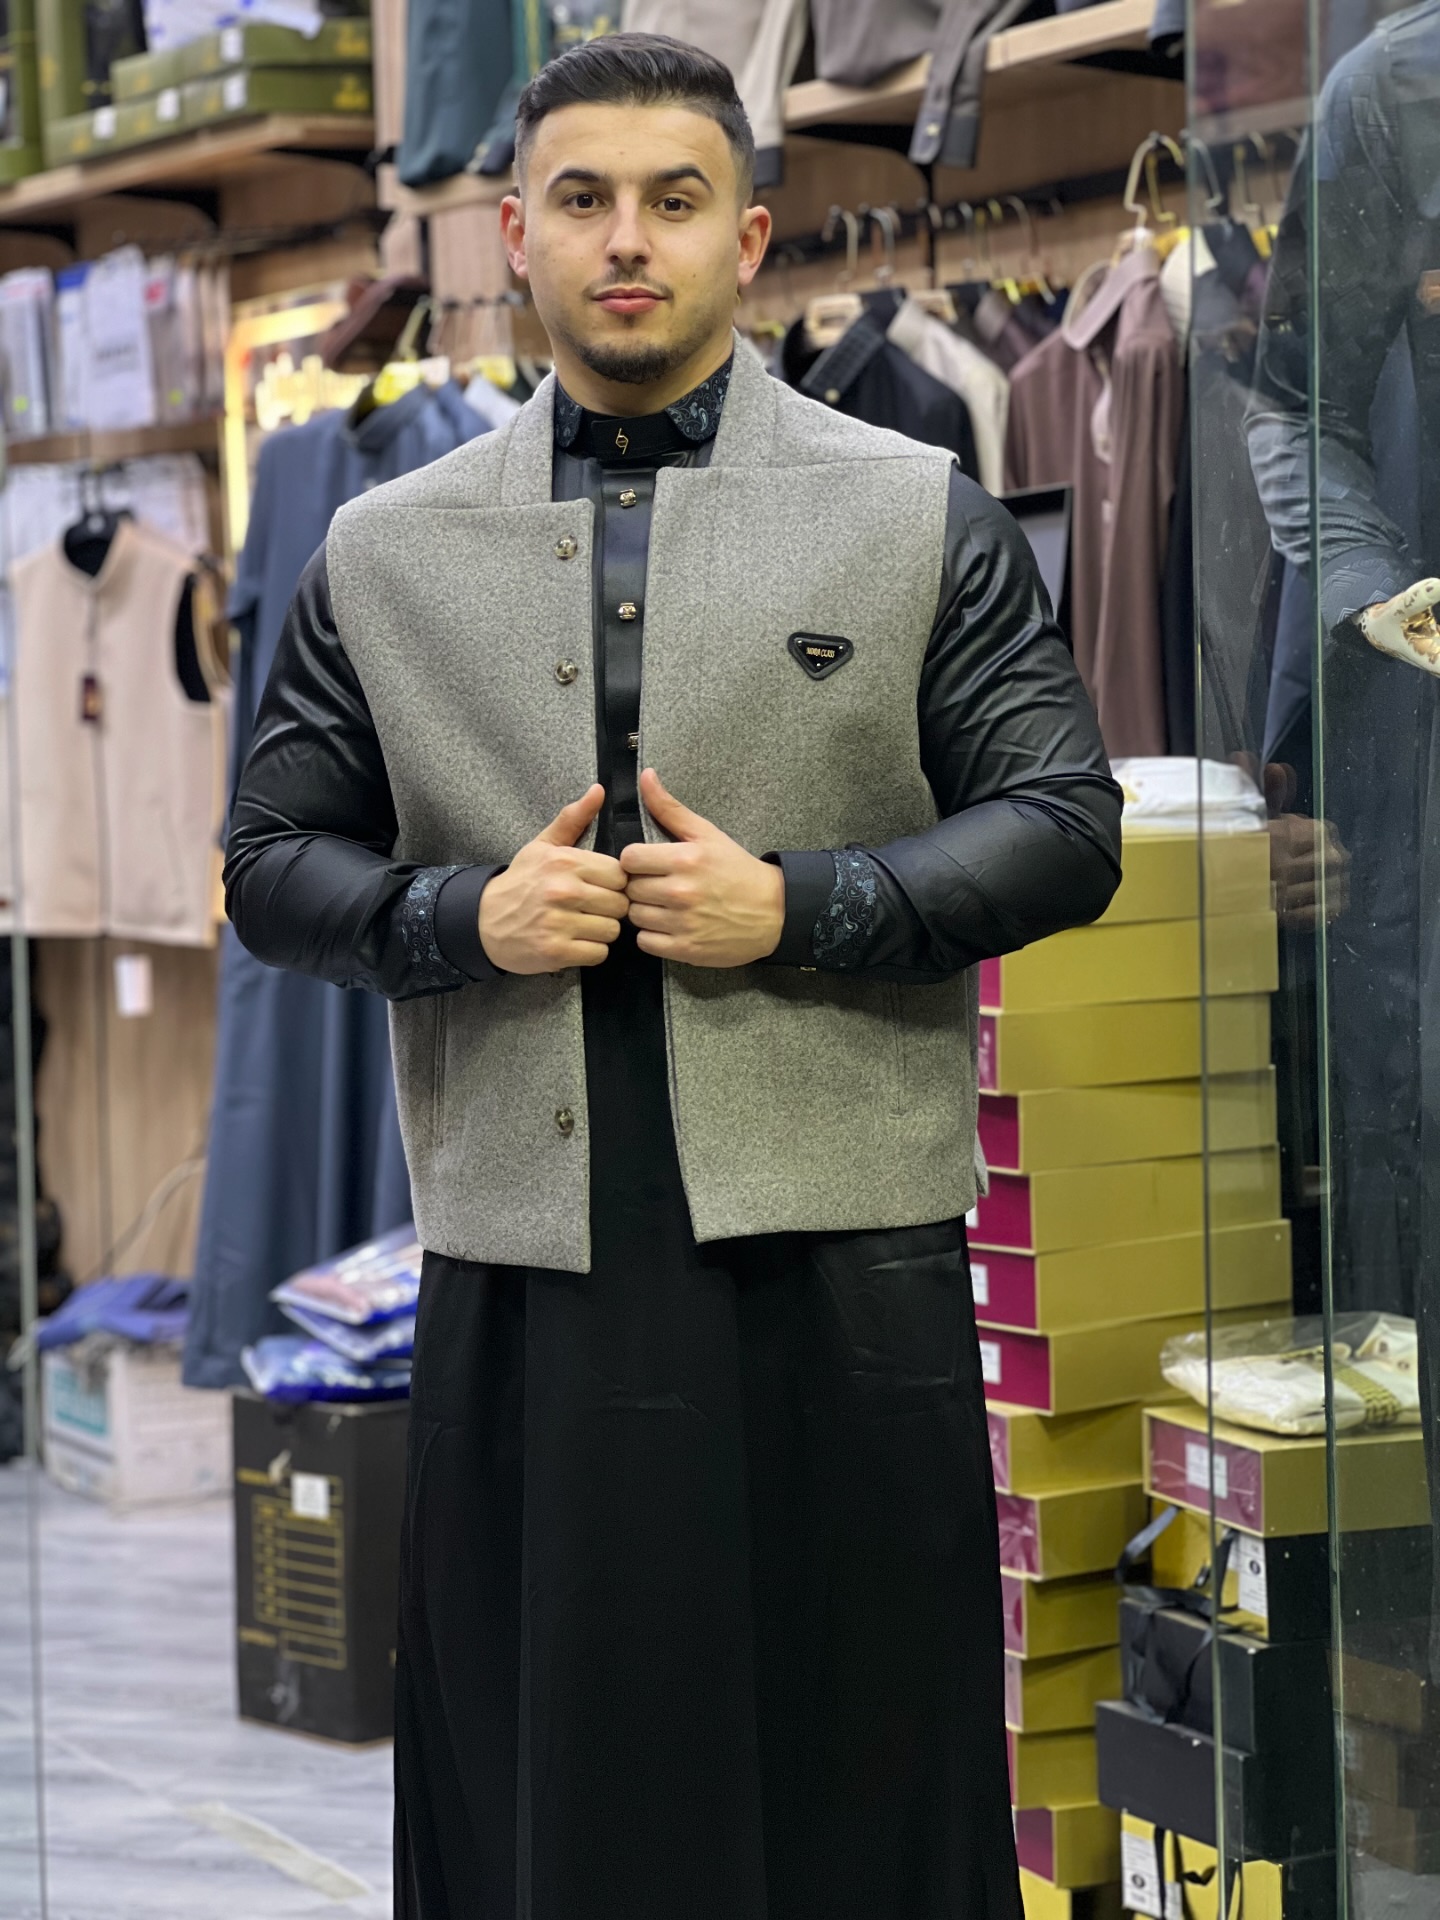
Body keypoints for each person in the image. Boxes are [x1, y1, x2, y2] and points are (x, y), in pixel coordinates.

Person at [225, 31, 1122, 1920]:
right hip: (525, 1273)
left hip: (841, 1271)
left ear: (749, 236)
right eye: (584, 199)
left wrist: (802, 904)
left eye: (674, 199)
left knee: (862, 1757)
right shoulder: (381, 550)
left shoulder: (913, 506)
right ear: (516, 234)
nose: (627, 239)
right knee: (542, 1772)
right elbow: (269, 862)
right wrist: (457, 920)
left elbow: (1064, 822)